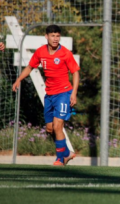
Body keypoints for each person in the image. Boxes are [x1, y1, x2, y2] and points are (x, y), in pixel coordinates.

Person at [12, 24, 80, 166]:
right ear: (46, 37)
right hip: (49, 95)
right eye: (53, 36)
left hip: (63, 93)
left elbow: (75, 72)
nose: (55, 39)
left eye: (57, 36)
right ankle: (67, 153)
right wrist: (19, 79)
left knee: (57, 126)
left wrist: (73, 93)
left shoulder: (65, 53)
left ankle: (60, 159)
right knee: (50, 129)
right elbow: (30, 67)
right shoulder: (41, 52)